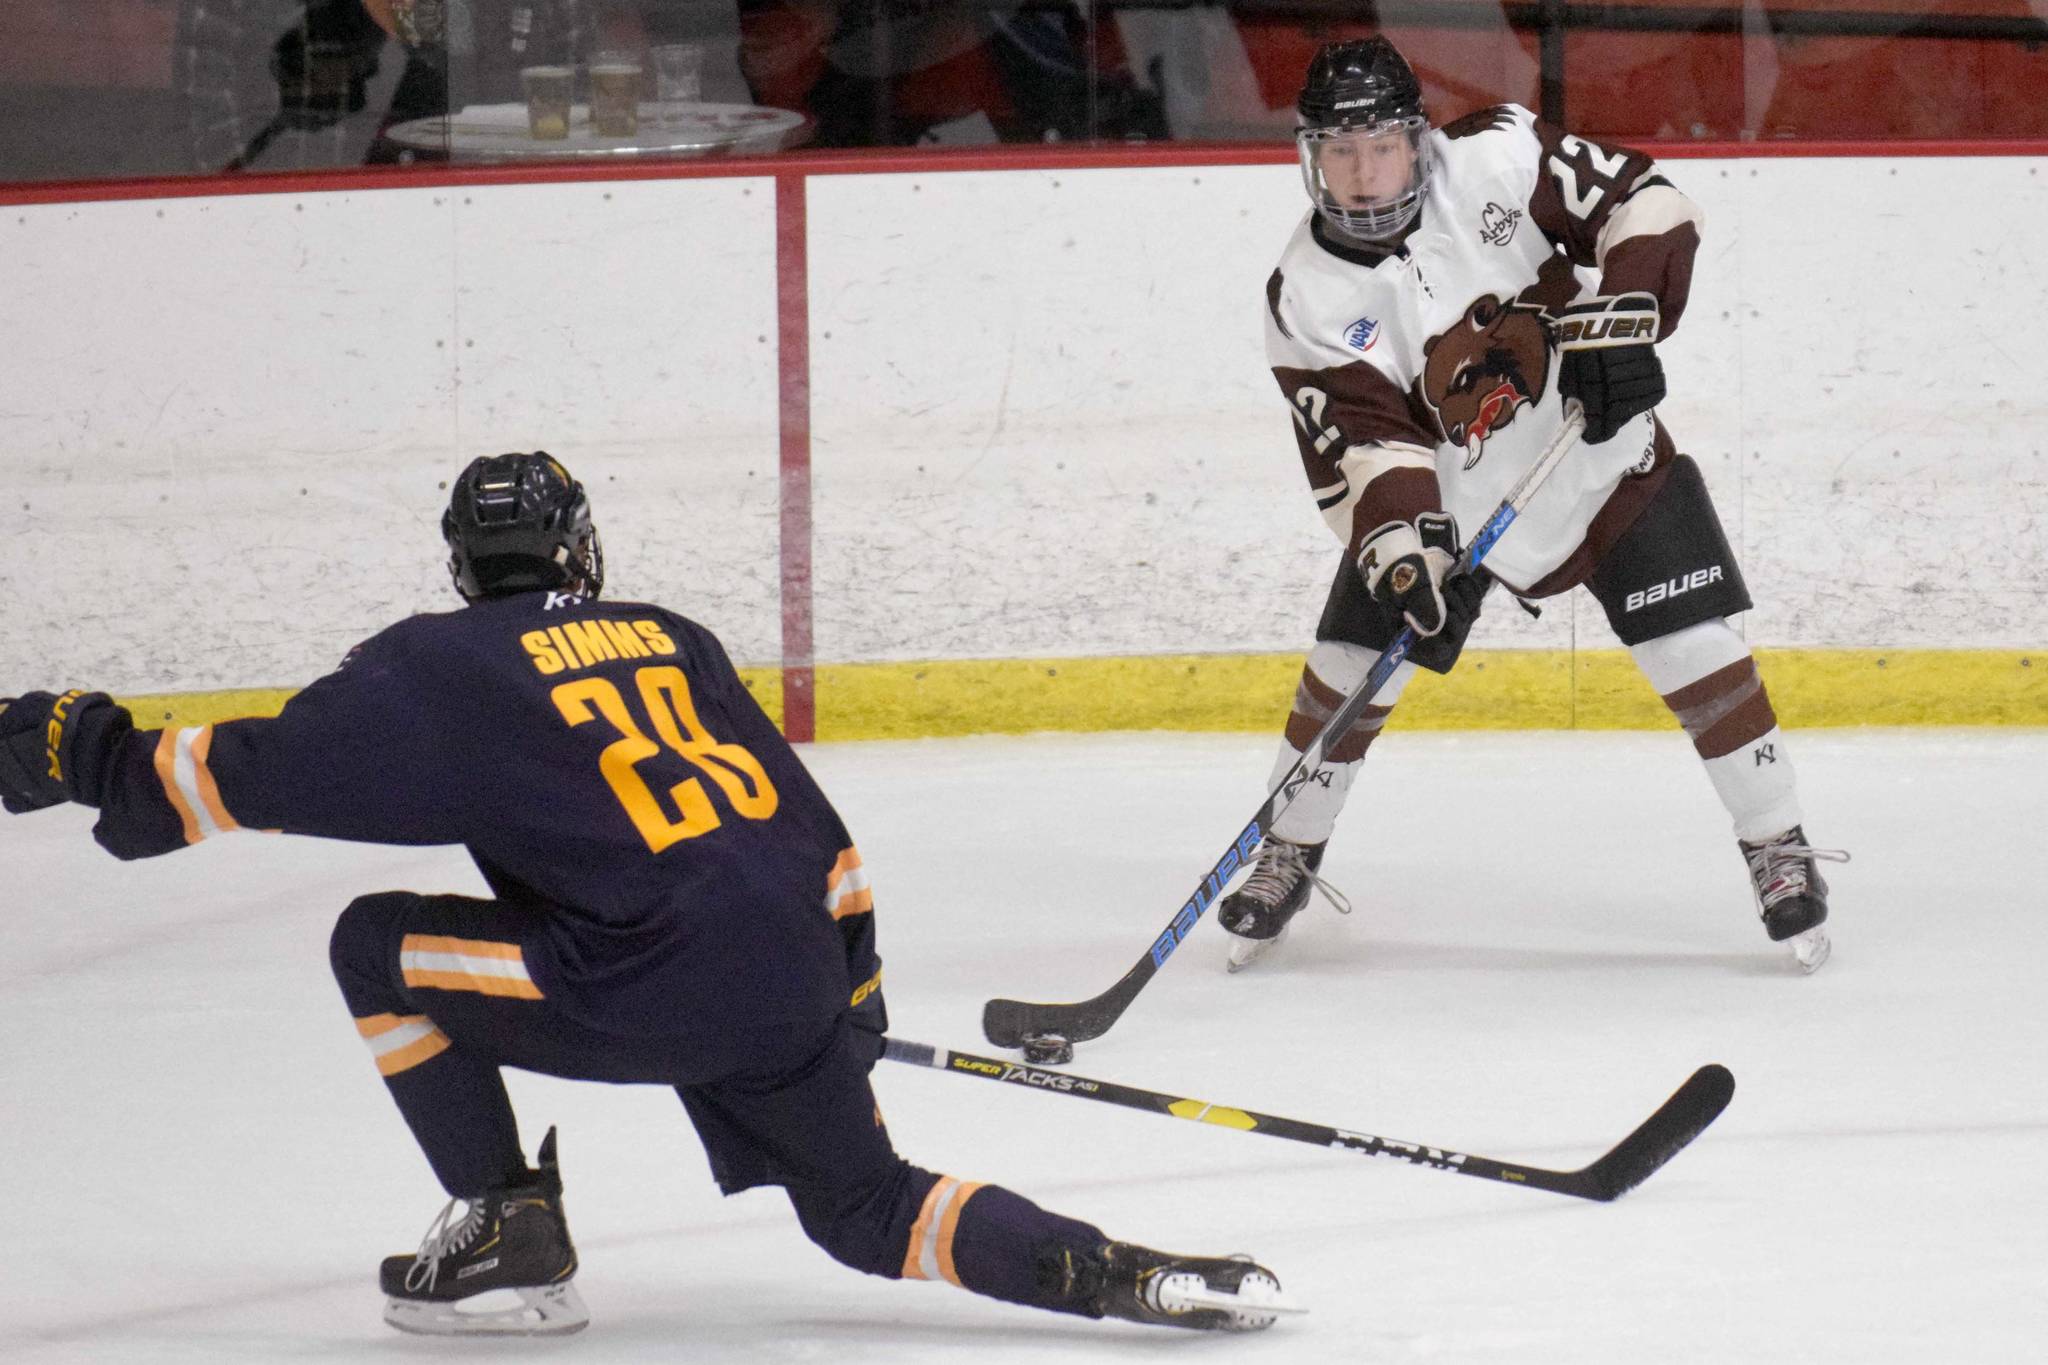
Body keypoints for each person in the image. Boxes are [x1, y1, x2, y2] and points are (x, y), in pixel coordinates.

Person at [0, 453, 1288, 1338]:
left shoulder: (442, 667)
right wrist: (853, 995)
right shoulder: (672, 635)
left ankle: (507, 1218)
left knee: (370, 946)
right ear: (580, 548)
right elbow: (819, 838)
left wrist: (93, 755)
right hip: (792, 964)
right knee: (862, 1208)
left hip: (642, 978)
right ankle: (1118, 1274)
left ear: (466, 565)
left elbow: (252, 771)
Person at [1221, 37, 1846, 974]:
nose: (1359, 173)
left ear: (1415, 139)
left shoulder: (1498, 156)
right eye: (1338, 152)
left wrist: (1623, 321)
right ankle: (1289, 849)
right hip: (1455, 516)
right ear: (1311, 154)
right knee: (1349, 666)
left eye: (1378, 148)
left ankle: (1778, 845)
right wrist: (1410, 558)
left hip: (1601, 462)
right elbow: (1364, 441)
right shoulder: (1304, 294)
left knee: (1698, 650)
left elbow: (1648, 201)